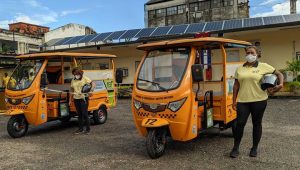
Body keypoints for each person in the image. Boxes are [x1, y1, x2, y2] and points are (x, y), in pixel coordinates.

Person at [230, 46, 284, 158]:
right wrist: (233, 101)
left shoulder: (263, 66)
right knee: (239, 124)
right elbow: (236, 86)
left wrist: (280, 84)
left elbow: (280, 74)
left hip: (259, 100)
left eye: (252, 52)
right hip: (243, 101)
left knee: (257, 124)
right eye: (247, 52)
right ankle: (235, 148)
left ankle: (254, 148)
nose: (249, 54)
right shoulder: (239, 68)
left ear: (257, 54)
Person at [69, 68, 95, 134]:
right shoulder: (73, 80)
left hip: (84, 98)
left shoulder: (85, 78)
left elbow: (93, 84)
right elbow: (72, 90)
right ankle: (80, 129)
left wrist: (91, 91)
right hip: (76, 99)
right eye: (75, 74)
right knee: (79, 114)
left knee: (84, 113)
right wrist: (70, 100)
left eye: (77, 74)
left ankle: (88, 129)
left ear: (81, 74)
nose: (76, 76)